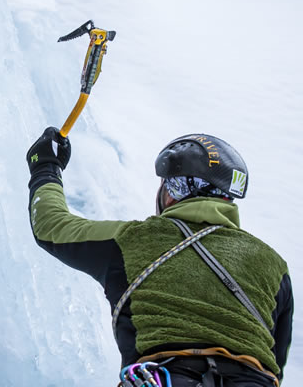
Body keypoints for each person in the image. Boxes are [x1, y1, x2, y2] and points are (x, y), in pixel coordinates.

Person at [26, 127, 293, 387]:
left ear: (173, 192)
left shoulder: (134, 240)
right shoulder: (272, 263)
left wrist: (46, 166)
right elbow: (275, 363)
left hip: (165, 376)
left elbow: (51, 226)